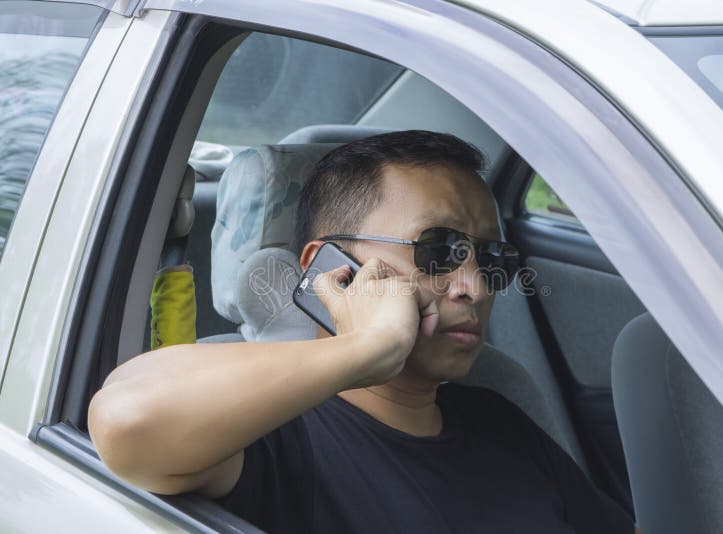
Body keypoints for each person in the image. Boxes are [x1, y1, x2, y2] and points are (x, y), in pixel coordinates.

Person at [88, 130, 635, 533]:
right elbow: (125, 420)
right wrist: (369, 347)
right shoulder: (268, 437)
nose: (474, 285)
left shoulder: (501, 417)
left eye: (491, 258)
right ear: (330, 269)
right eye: (438, 250)